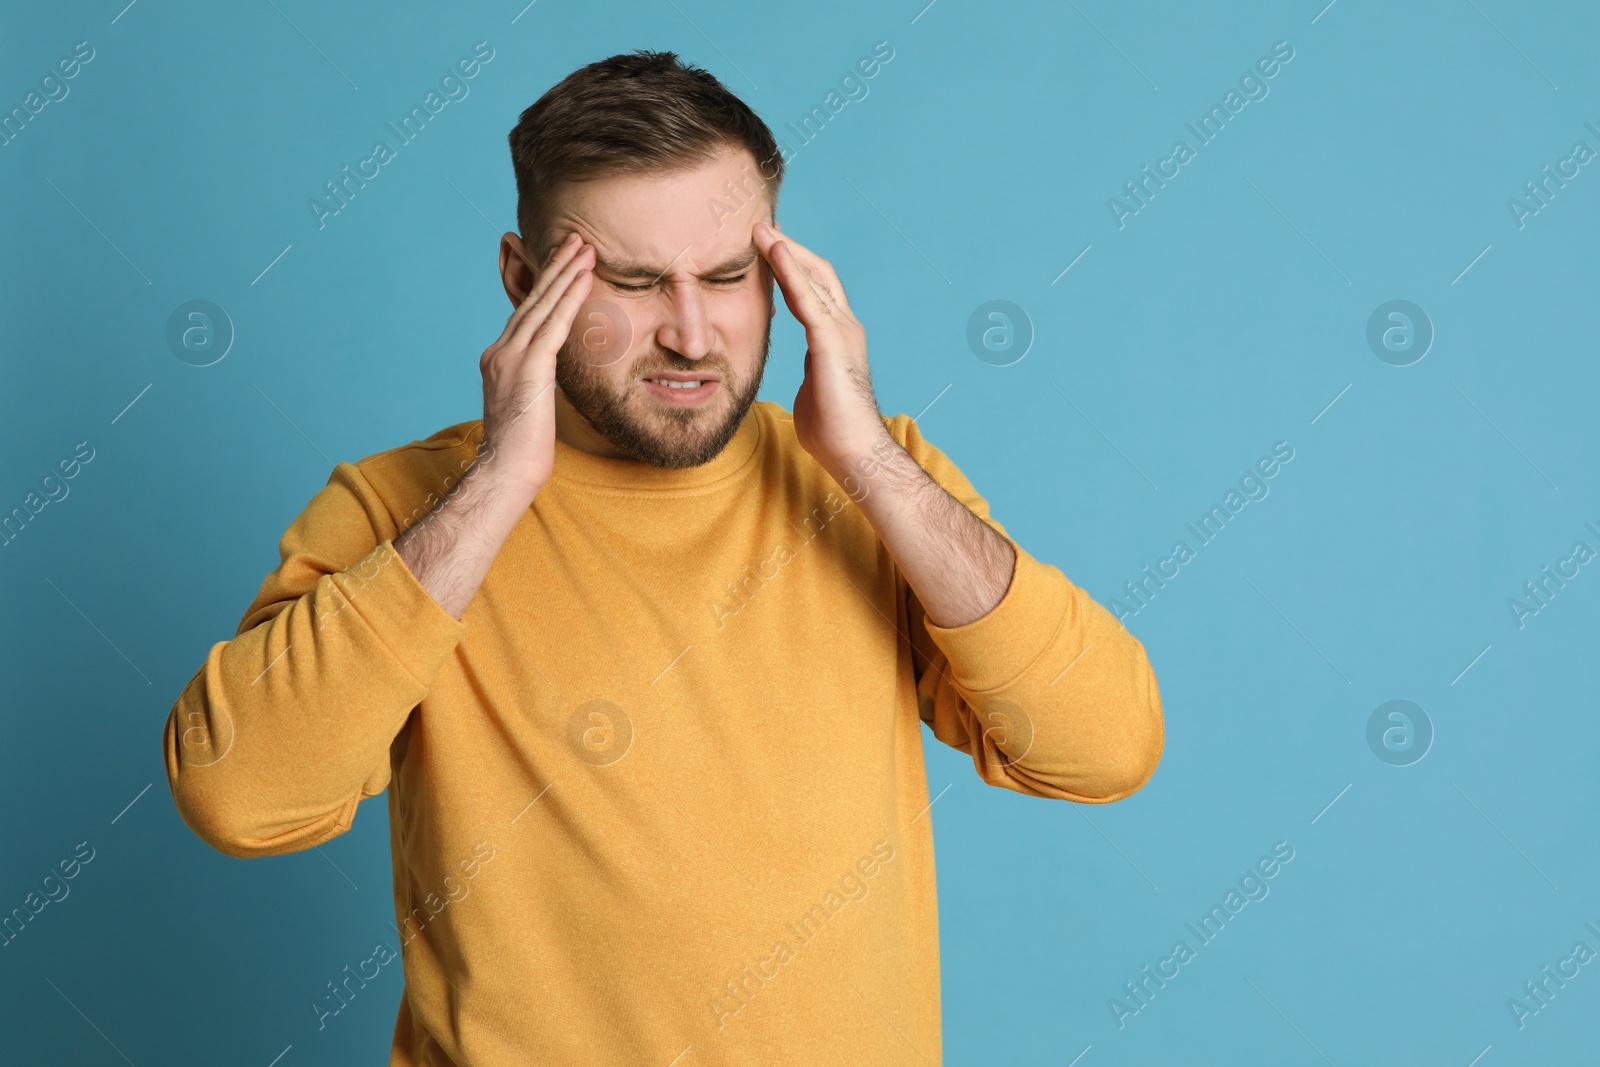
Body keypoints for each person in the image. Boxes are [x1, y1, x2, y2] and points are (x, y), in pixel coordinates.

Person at [162, 49, 1164, 1066]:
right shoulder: (401, 510)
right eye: (633, 284)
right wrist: (503, 479)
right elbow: (240, 798)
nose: (690, 334)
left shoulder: (875, 485)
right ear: (521, 280)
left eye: (727, 276)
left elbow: (1103, 747)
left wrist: (865, 456)